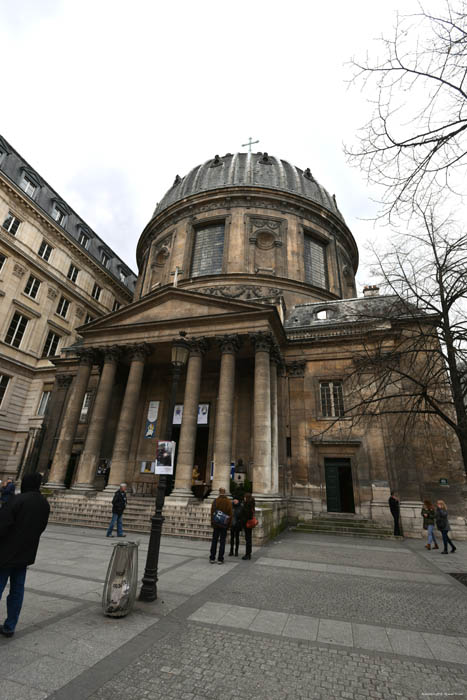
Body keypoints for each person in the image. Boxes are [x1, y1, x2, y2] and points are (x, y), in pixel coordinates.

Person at [0, 472, 50, 637]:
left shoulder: (17, 500)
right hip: (25, 554)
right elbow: (41, 528)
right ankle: (10, 626)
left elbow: (3, 526)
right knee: (17, 590)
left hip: (6, 553)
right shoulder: (44, 503)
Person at [209, 487, 232, 564]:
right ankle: (220, 559)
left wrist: (212, 522)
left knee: (214, 541)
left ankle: (212, 557)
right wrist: (228, 525)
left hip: (216, 524)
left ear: (219, 492)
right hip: (224, 525)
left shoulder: (215, 501)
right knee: (222, 542)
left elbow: (212, 513)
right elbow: (230, 514)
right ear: (225, 492)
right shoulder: (228, 502)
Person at [240, 492, 256, 560]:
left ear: (246, 498)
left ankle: (247, 554)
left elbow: (246, 515)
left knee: (248, 539)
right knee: (249, 539)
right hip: (249, 523)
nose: (244, 498)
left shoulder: (247, 505)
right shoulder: (251, 504)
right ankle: (248, 553)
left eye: (244, 497)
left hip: (247, 524)